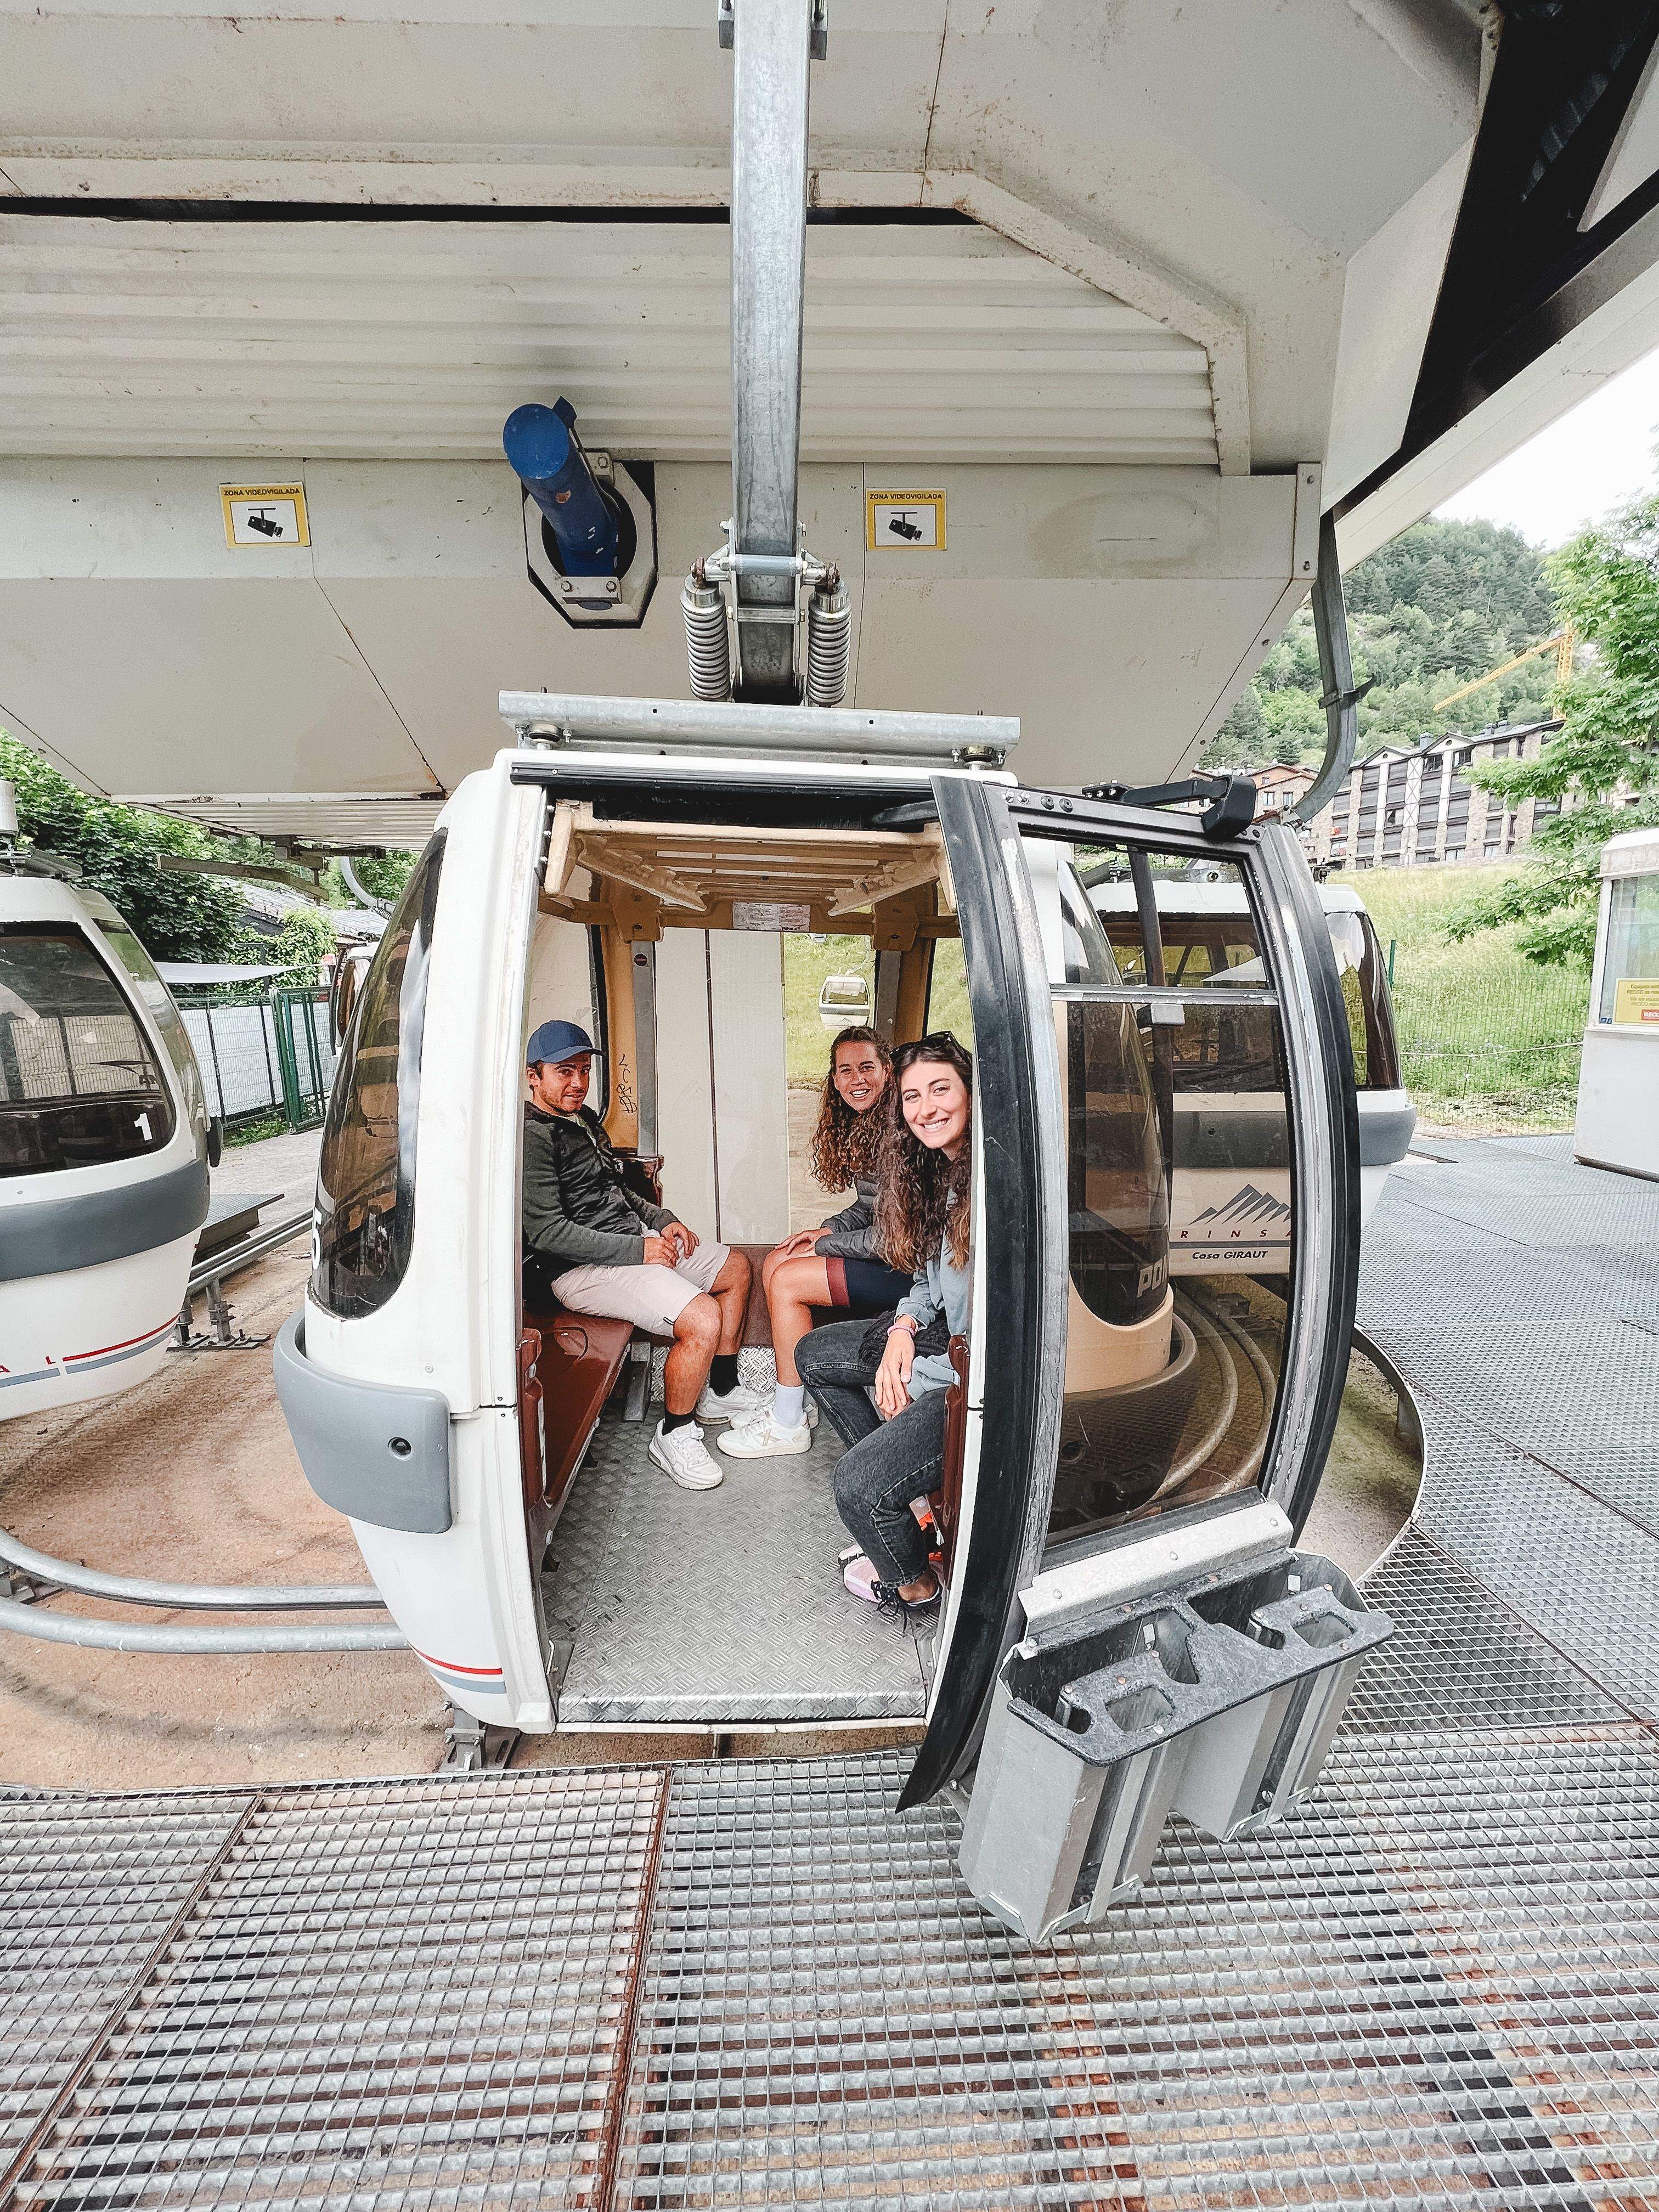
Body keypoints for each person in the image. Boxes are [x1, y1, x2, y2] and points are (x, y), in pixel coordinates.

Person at [520, 1018, 757, 1491]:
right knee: (702, 1319)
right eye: (564, 1072)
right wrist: (640, 1250)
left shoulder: (583, 1120)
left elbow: (618, 1193)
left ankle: (722, 1389)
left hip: (632, 1242)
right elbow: (548, 1233)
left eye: (584, 1071)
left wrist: (663, 1220)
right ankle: (674, 1433)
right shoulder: (533, 1138)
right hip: (581, 1269)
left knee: (736, 1269)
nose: (578, 1083)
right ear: (534, 1076)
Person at [794, 1033, 973, 1621]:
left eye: (942, 1089)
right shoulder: (942, 1176)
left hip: (971, 1374)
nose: (928, 1109)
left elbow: (993, 1344)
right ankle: (913, 1498)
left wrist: (914, 1376)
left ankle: (915, 1583)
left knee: (857, 1488)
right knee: (814, 1355)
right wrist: (902, 1330)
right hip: (937, 1338)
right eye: (915, 1096)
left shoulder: (993, 1189)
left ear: (972, 1092)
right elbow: (924, 1281)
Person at [720, 1024, 911, 1460]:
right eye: (845, 1071)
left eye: (867, 1067)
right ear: (834, 1079)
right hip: (887, 1254)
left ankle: (787, 1426)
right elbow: (869, 1207)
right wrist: (827, 1230)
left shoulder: (901, 1131)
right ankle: (796, 1401)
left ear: (887, 1069)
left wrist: (828, 1247)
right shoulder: (869, 1123)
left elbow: (895, 1237)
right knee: (778, 1260)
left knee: (788, 1282)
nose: (856, 1080)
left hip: (908, 1270)